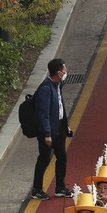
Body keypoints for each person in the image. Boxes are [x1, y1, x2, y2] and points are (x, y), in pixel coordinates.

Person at [31, 58, 72, 200]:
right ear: (58, 73)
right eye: (64, 70)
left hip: (59, 127)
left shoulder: (58, 85)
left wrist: (65, 125)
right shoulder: (45, 89)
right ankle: (37, 189)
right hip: (48, 131)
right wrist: (47, 134)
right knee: (44, 159)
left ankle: (60, 187)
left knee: (62, 156)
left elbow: (60, 107)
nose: (66, 73)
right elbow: (43, 114)